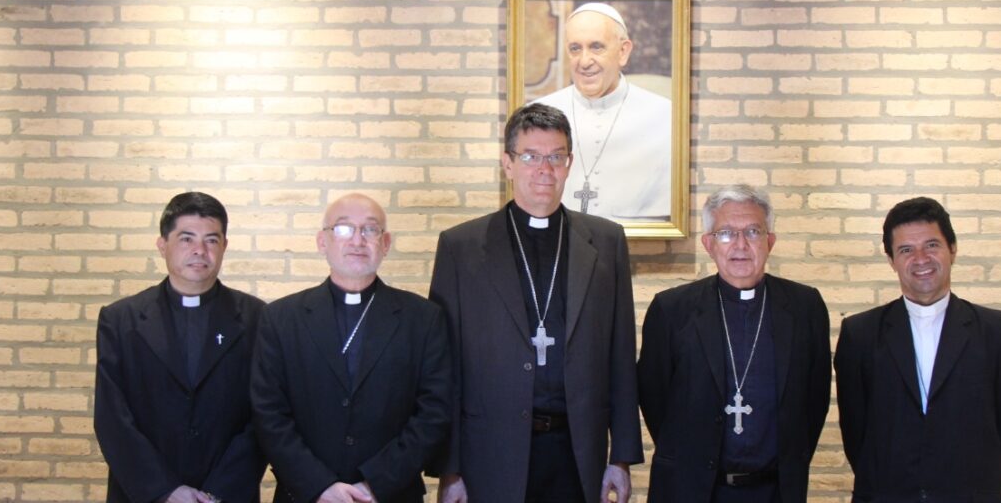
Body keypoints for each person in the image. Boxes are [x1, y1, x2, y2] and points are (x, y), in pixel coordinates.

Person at [429, 103, 643, 503]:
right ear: (507, 163)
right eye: (530, 156)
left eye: (556, 156)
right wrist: (450, 467)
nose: (544, 169)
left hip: (579, 451)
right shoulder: (461, 247)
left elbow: (620, 355)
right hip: (490, 454)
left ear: (569, 163)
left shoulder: (606, 241)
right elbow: (445, 367)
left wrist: (622, 457)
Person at [250, 193, 451, 503]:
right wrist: (319, 485)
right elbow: (268, 413)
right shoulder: (280, 318)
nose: (358, 240)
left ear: (385, 244)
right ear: (322, 241)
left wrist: (376, 483)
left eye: (370, 230)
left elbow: (434, 412)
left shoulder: (423, 318)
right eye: (344, 229)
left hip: (390, 494)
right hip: (305, 495)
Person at [637, 185, 831, 502]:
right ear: (708, 244)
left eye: (753, 232)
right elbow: (655, 399)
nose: (740, 245)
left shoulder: (804, 307)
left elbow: (814, 401)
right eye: (726, 233)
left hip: (774, 491)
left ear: (770, 241)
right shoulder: (671, 310)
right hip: (691, 489)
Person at [834, 197, 1001, 502]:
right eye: (906, 250)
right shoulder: (859, 334)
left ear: (952, 249)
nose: (921, 259)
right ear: (891, 260)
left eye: (931, 245)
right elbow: (856, 434)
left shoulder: (999, 332)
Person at [94, 191, 265, 503]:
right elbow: (112, 418)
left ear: (225, 246)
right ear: (163, 245)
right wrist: (164, 491)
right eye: (186, 238)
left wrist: (217, 492)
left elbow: (263, 414)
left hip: (227, 494)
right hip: (143, 494)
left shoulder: (258, 318)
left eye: (212, 240)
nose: (200, 250)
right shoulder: (120, 320)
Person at [534, 2, 673, 222]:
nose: (584, 61)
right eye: (575, 48)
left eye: (596, 47)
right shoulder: (538, 113)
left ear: (623, 51)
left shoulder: (666, 116)